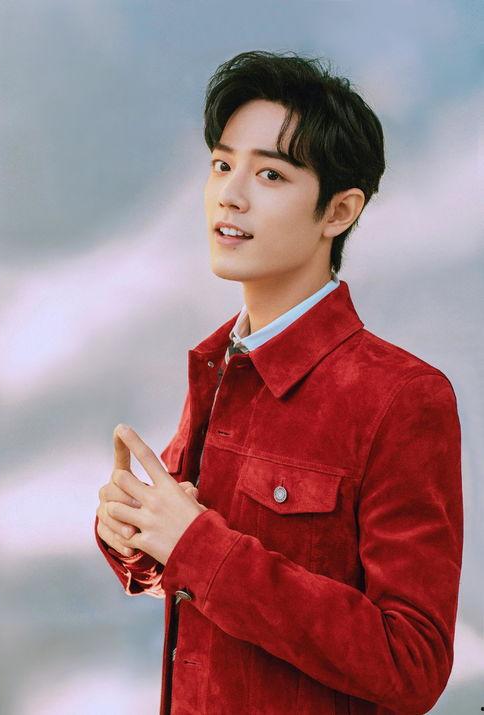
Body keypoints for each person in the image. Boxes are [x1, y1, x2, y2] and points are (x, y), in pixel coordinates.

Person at [94, 50, 463, 715]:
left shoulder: (402, 397)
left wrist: (201, 549)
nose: (230, 194)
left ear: (339, 211)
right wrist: (134, 535)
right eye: (221, 164)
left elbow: (413, 662)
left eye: (269, 173)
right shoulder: (220, 364)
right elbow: (185, 563)